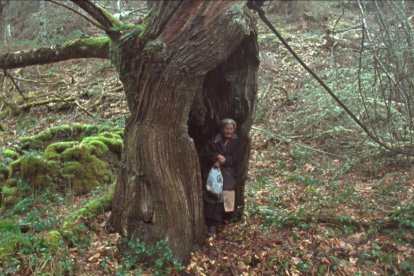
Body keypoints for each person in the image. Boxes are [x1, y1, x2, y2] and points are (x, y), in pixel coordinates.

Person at [204, 118, 239, 236]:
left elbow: (237, 157)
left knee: (225, 198)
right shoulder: (214, 140)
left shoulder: (237, 141)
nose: (229, 131)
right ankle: (210, 225)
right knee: (212, 196)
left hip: (228, 173)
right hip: (215, 173)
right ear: (222, 129)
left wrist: (225, 160)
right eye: (227, 129)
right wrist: (216, 157)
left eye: (231, 129)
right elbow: (207, 153)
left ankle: (220, 222)